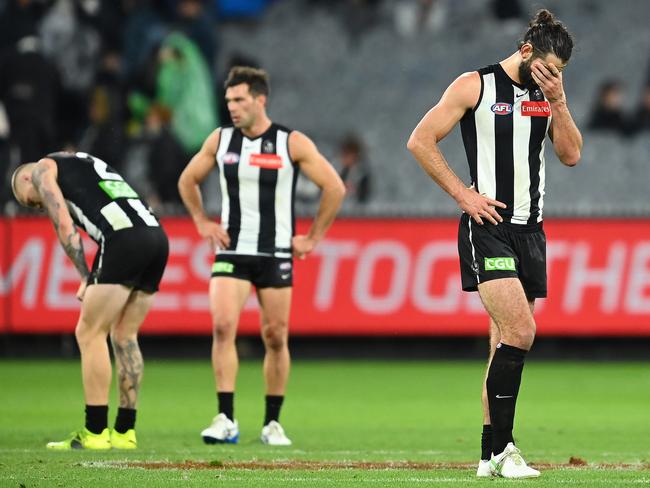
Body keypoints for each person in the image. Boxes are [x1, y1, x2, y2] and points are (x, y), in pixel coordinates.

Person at [407, 9, 581, 479]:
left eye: (560, 72)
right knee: (521, 333)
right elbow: (420, 141)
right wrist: (464, 194)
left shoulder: (548, 97)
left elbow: (570, 155)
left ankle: (487, 456)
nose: (552, 76)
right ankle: (505, 450)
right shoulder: (475, 86)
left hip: (531, 231)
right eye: (548, 67)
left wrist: (560, 100)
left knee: (502, 341)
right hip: (487, 225)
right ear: (526, 51)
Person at [178, 66, 345, 446]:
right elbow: (187, 180)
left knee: (275, 336)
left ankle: (272, 423)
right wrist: (203, 222)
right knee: (223, 327)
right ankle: (225, 418)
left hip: (274, 252)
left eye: (239, 100)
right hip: (232, 250)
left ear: (260, 99)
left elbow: (333, 187)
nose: (232, 108)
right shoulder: (220, 140)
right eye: (229, 101)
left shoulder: (290, 143)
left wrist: (313, 238)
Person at [10, 151, 169, 450]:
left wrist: (86, 275)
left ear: (29, 179)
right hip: (157, 237)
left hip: (124, 238)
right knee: (124, 335)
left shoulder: (44, 170)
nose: (37, 205)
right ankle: (124, 433)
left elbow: (65, 228)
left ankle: (95, 432)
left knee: (88, 332)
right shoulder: (82, 161)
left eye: (31, 200)